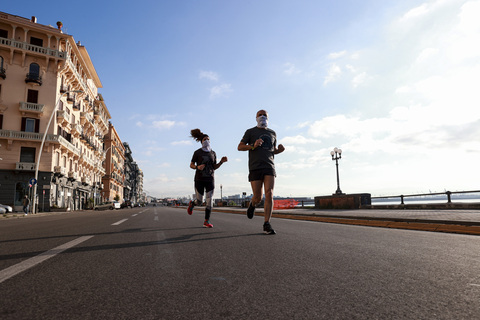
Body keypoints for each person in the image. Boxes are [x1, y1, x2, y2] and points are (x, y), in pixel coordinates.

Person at [238, 109, 285, 235]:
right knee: (258, 197)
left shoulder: (272, 132)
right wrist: (253, 145)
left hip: (269, 166)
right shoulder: (250, 132)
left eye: (265, 115)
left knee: (269, 193)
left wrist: (279, 150)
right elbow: (240, 146)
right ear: (256, 118)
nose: (262, 117)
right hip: (255, 167)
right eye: (260, 115)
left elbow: (271, 149)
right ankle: (252, 205)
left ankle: (266, 223)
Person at [188, 129, 228, 228]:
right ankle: (192, 204)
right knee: (199, 201)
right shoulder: (197, 152)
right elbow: (191, 165)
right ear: (201, 141)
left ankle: (206, 221)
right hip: (199, 179)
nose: (207, 141)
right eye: (205, 139)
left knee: (210, 200)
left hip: (210, 179)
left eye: (208, 139)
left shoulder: (213, 153)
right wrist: (197, 167)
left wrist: (221, 162)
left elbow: (214, 167)